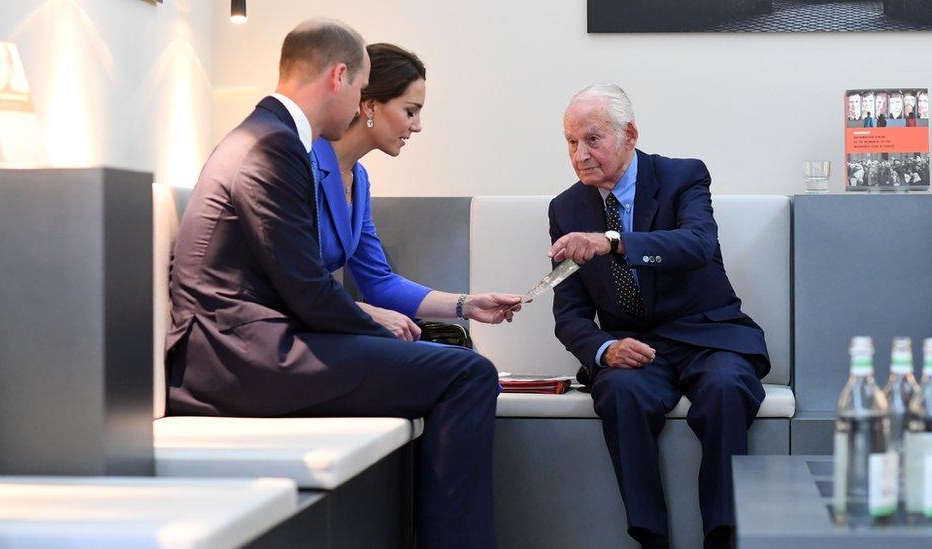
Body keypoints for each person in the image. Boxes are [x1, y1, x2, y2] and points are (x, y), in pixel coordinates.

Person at [165, 19, 519, 548]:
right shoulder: (276, 149)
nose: (359, 103)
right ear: (340, 78)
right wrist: (383, 328)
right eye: (360, 88)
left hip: (251, 344)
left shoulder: (272, 139)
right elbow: (308, 289)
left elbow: (340, 282)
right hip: (235, 358)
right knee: (467, 375)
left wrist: (453, 310)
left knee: (455, 368)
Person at [547, 84, 768, 549]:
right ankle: (650, 538)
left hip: (708, 336)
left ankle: (723, 536)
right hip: (635, 349)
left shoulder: (681, 177)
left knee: (726, 388)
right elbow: (569, 314)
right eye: (571, 142)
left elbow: (697, 244)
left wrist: (613, 242)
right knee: (621, 391)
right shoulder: (566, 208)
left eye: (592, 139)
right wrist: (605, 349)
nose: (580, 155)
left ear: (629, 134)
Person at [309, 43, 513, 336]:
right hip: (295, 335)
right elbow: (294, 282)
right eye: (410, 111)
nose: (417, 126)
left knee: (466, 366)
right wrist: (369, 314)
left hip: (326, 329)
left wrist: (467, 305)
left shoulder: (359, 180)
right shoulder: (304, 165)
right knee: (465, 369)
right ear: (370, 106)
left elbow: (379, 282)